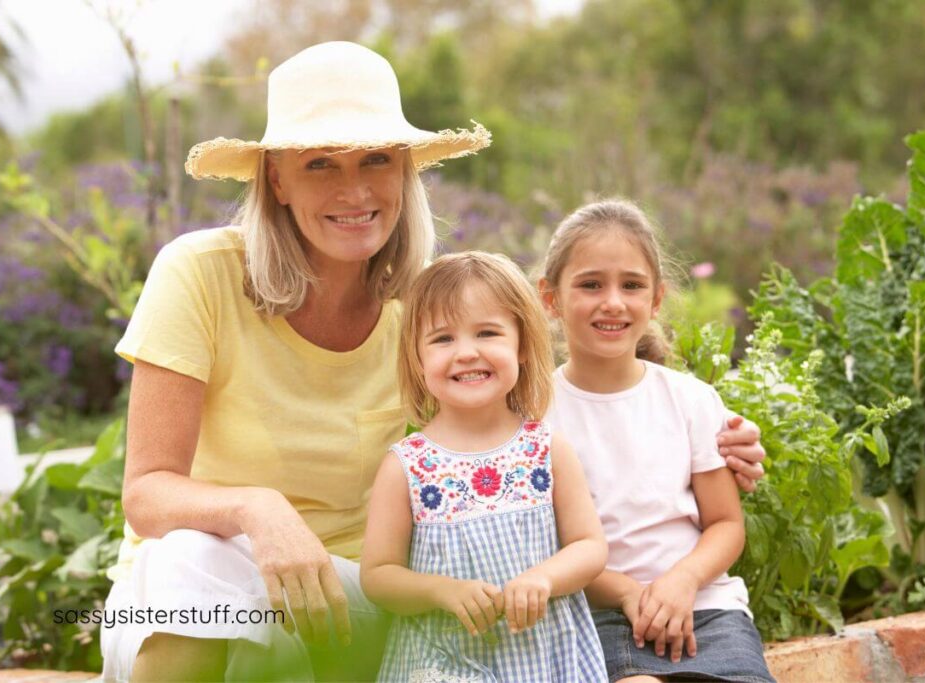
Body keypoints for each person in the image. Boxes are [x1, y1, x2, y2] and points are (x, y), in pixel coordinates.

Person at [100, 40, 765, 682]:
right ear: (276, 177)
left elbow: (534, 412)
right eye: (320, 164)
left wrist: (706, 440)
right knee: (189, 556)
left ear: (405, 170)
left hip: (362, 602)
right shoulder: (199, 274)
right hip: (213, 591)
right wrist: (257, 510)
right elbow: (147, 492)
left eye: (376, 160)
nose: (354, 189)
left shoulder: (424, 305)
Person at [538, 199, 776, 683]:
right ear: (550, 298)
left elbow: (726, 524)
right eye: (590, 284)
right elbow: (545, 547)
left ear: (657, 299)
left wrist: (683, 580)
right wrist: (627, 592)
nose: (613, 301)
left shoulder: (690, 400)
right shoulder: (535, 413)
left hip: (707, 611)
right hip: (596, 614)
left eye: (631, 285)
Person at [361, 251, 608, 681]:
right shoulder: (407, 465)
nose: (466, 353)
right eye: (442, 339)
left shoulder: (545, 448)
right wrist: (440, 590)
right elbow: (379, 575)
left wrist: (544, 579)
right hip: (443, 659)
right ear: (418, 361)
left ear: (523, 346)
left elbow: (590, 546)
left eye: (488, 333)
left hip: (542, 657)